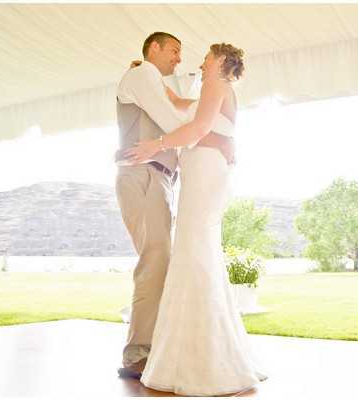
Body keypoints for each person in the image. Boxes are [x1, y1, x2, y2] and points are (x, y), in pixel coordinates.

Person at [125, 43, 267, 396]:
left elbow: (200, 129)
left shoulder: (215, 84)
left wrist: (155, 145)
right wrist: (162, 89)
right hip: (204, 173)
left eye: (206, 58)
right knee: (196, 251)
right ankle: (201, 351)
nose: (200, 64)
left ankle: (198, 358)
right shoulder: (215, 90)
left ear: (220, 62)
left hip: (204, 175)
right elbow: (188, 110)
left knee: (194, 252)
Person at [114, 32, 235, 379]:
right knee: (155, 261)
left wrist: (219, 135)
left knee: (164, 262)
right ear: (154, 48)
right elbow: (174, 123)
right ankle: (138, 354)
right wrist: (222, 139)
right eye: (174, 51)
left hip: (162, 179)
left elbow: (184, 110)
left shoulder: (154, 81)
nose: (180, 59)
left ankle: (157, 346)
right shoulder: (142, 75)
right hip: (144, 175)